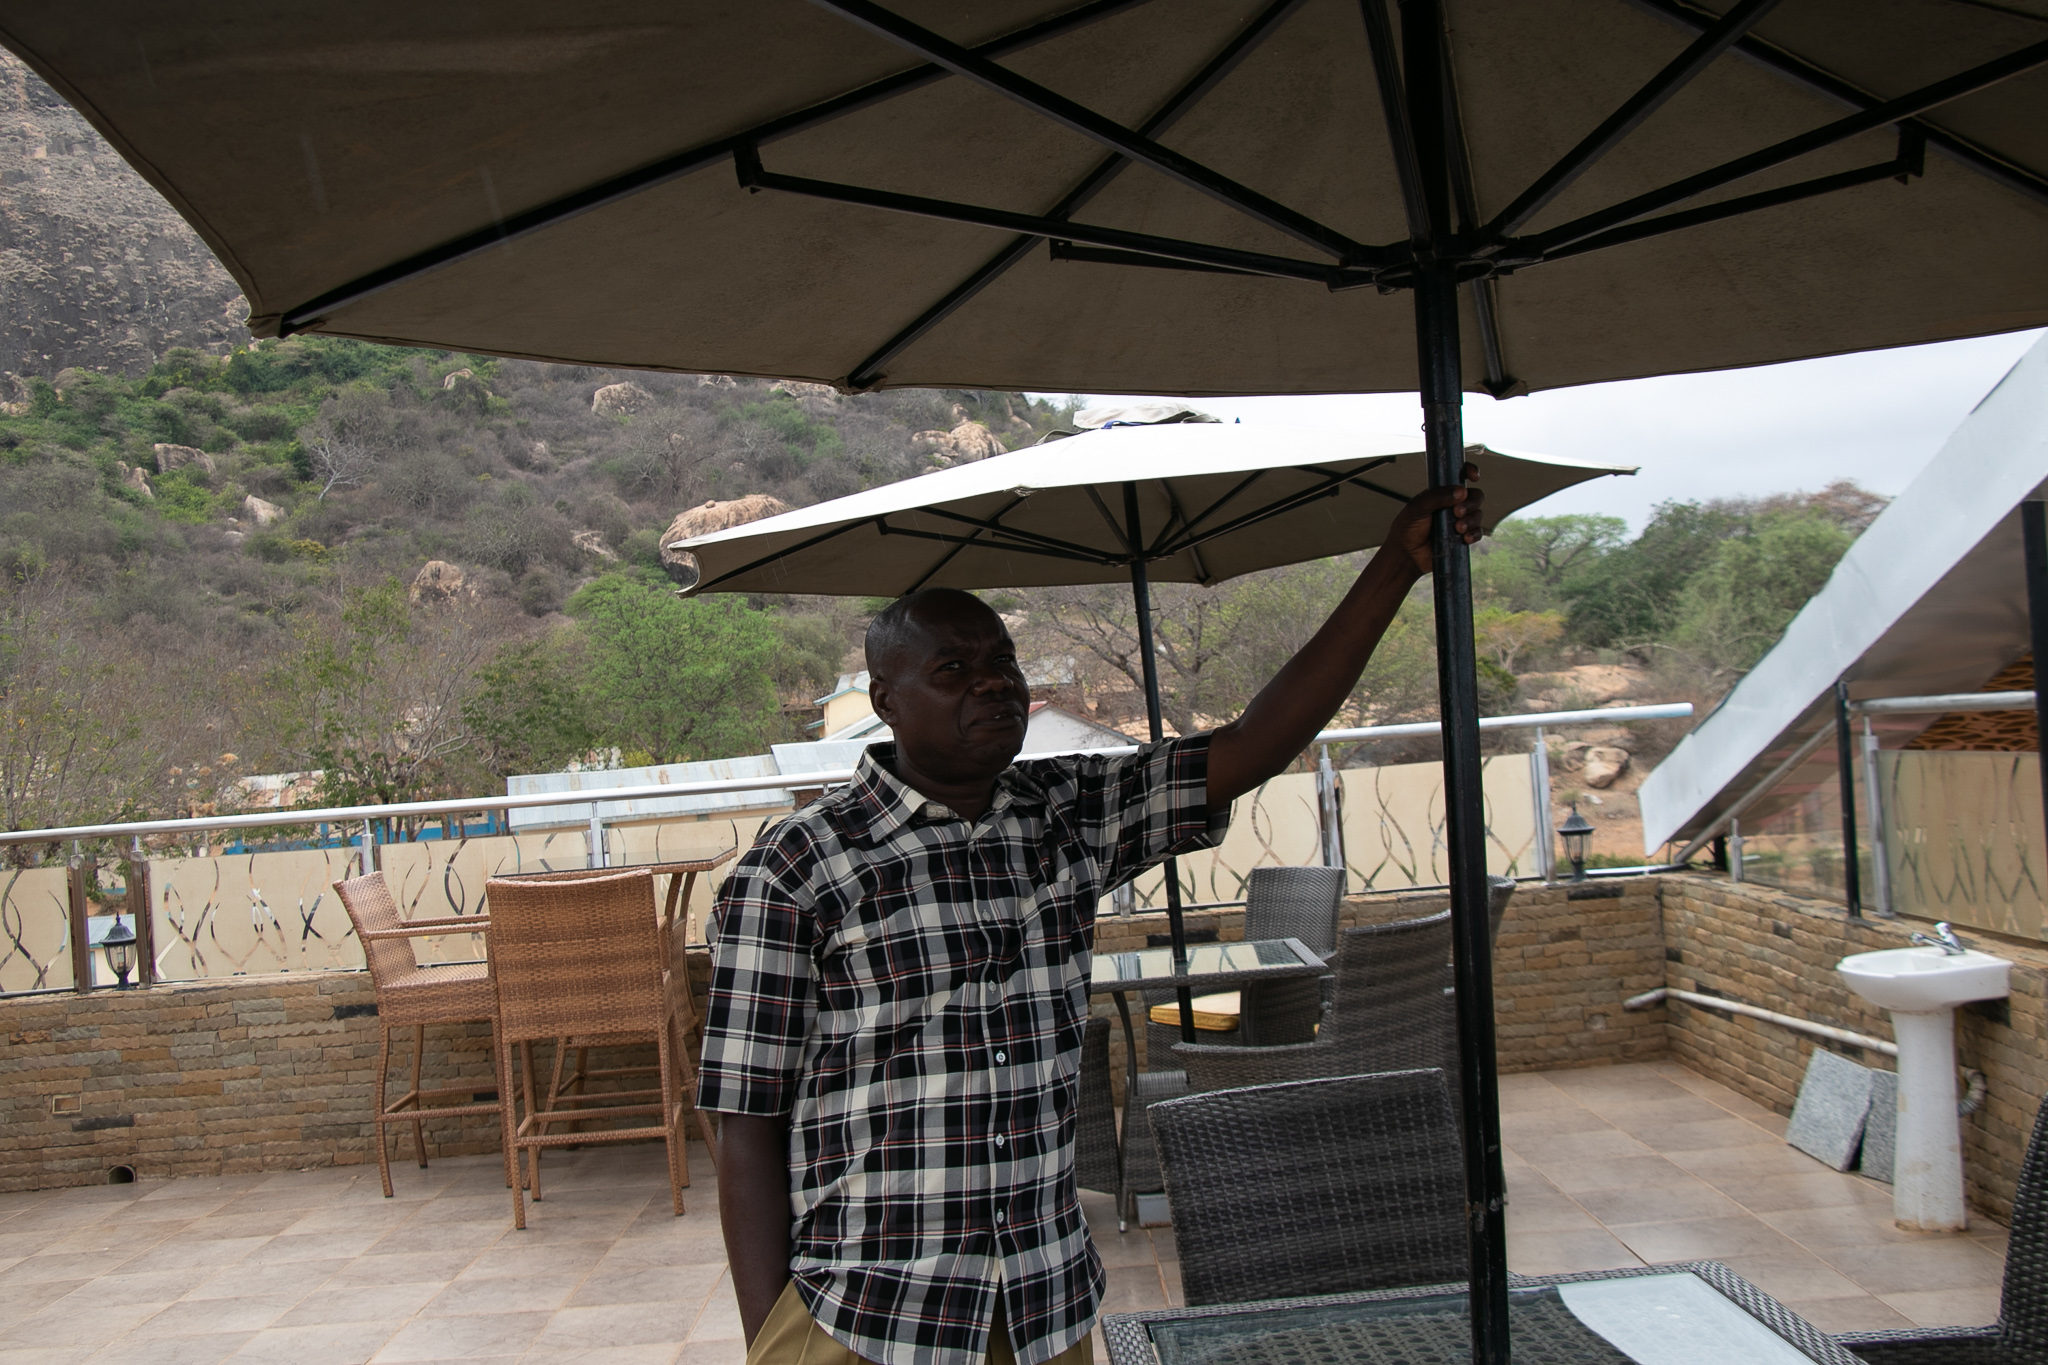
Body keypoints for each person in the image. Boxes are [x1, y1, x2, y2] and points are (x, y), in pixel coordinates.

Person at [699, 471, 1486, 1365]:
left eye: (1004, 664)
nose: (993, 686)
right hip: (870, 1316)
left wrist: (1395, 565)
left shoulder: (1070, 812)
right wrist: (770, 1339)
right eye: (953, 670)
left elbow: (1253, 743)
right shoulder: (797, 866)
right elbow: (745, 1116)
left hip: (1043, 1307)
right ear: (884, 700)